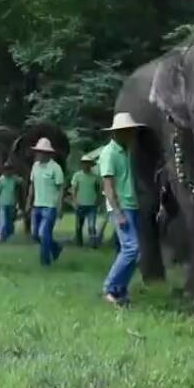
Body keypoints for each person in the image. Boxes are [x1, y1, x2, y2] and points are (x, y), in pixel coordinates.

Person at [99, 112, 144, 306]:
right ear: (118, 133)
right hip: (120, 208)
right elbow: (108, 186)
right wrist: (117, 212)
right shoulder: (109, 153)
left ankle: (120, 290)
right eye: (129, 131)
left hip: (131, 205)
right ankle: (109, 288)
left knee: (134, 251)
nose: (132, 135)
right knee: (131, 249)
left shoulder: (125, 152)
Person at [25, 137, 65, 265]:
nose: (38, 154)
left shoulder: (55, 168)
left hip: (50, 206)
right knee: (35, 234)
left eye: (41, 152)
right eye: (38, 151)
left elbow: (61, 189)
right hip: (37, 205)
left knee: (43, 233)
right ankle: (56, 247)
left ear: (48, 153)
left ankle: (45, 262)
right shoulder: (35, 166)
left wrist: (59, 206)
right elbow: (32, 185)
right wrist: (28, 202)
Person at [70, 155, 102, 247]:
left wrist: (98, 201)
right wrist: (75, 201)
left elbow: (99, 190)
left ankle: (93, 244)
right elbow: (74, 190)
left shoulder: (95, 177)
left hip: (92, 205)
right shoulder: (77, 175)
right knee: (79, 226)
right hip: (80, 204)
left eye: (88, 163)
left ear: (91, 165)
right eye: (84, 163)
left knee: (91, 226)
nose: (86, 165)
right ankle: (79, 243)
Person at [0, 162, 21, 242]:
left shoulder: (14, 179)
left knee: (10, 221)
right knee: (3, 221)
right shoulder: (0, 180)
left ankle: (9, 236)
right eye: (6, 170)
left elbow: (21, 181)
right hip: (3, 203)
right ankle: (3, 237)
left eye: (9, 170)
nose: (8, 172)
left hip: (12, 203)